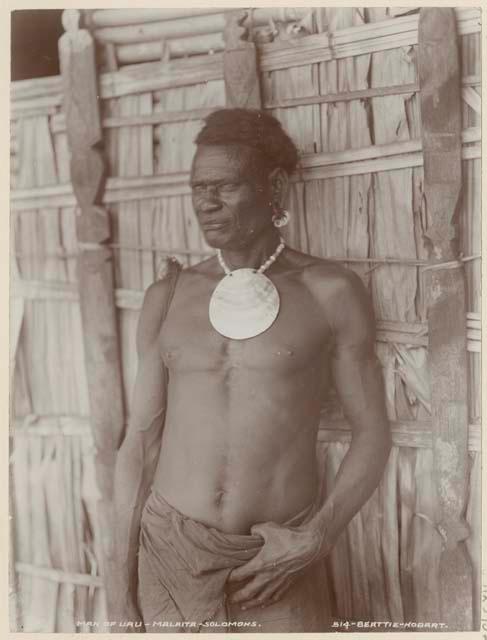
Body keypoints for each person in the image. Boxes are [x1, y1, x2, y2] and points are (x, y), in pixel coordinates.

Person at [108, 108, 391, 633]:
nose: (206, 204)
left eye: (225, 187)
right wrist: (116, 587)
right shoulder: (168, 296)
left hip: (276, 559)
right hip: (172, 553)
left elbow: (372, 433)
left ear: (273, 186)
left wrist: (317, 537)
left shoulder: (329, 291)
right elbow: (139, 443)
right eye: (198, 189)